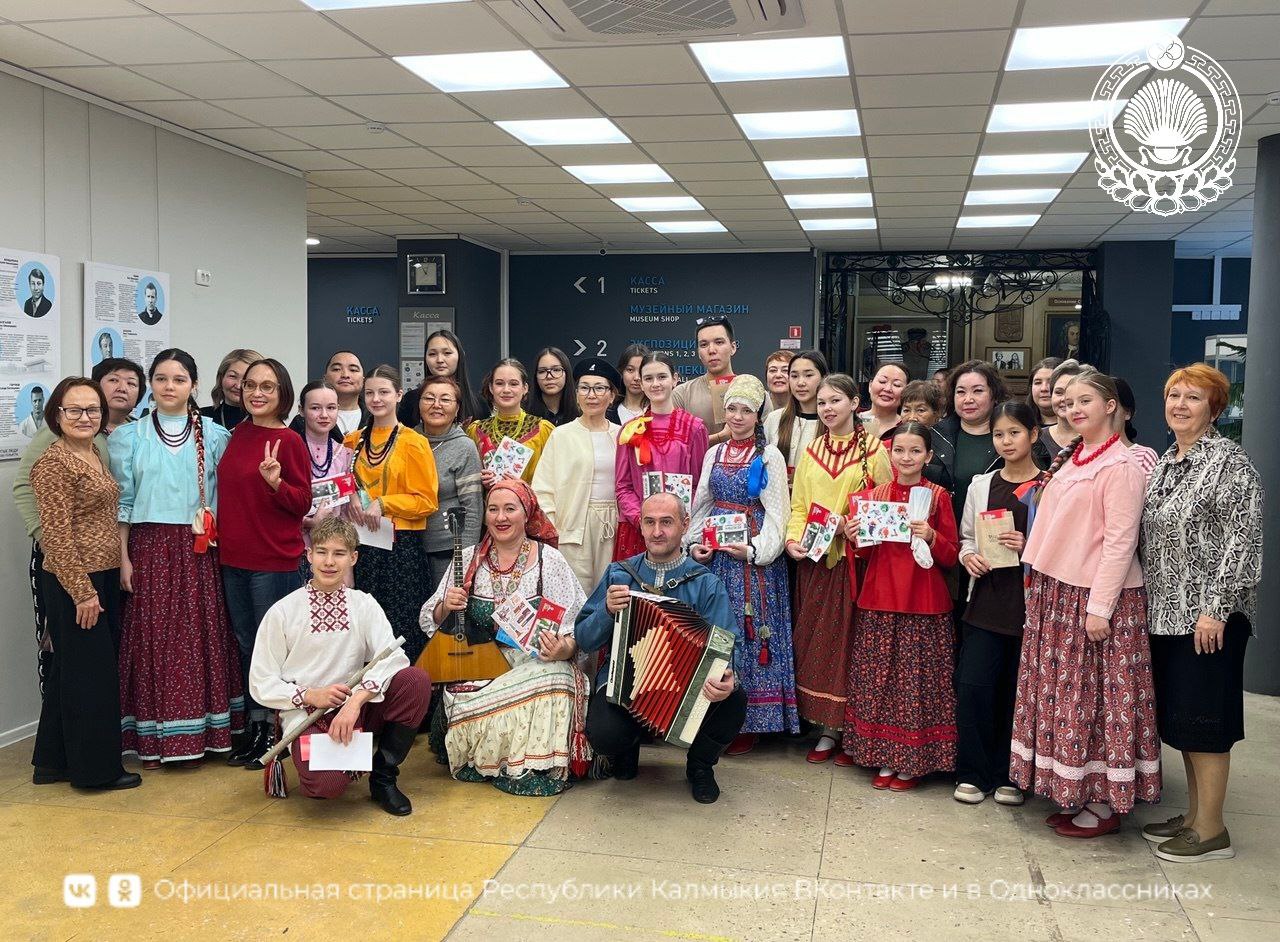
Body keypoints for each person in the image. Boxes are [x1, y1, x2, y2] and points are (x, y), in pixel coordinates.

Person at [1010, 369, 1159, 838]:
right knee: (1065, 698)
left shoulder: (1122, 465)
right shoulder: (1074, 457)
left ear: (1111, 406)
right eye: (1069, 402)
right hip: (1059, 590)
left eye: (1085, 401)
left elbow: (1120, 541)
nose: (1073, 409)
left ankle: (1103, 801)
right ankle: (1076, 790)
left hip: (1093, 594)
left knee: (1095, 700)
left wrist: (1100, 607)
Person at [1139, 364, 1264, 862]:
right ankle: (1194, 816)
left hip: (1209, 620)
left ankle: (1211, 830)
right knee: (1186, 720)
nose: (1180, 404)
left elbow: (1243, 541)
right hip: (1166, 615)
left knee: (1208, 721)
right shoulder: (1166, 461)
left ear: (1214, 409)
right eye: (1174, 395)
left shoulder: (1230, 462)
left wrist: (1215, 609)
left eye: (1193, 397)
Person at [109, 349, 243, 768]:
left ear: (194, 386)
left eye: (179, 379)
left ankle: (207, 734)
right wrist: (123, 558)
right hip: (148, 548)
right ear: (151, 383)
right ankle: (153, 738)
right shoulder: (128, 438)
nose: (170, 387)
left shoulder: (216, 436)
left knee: (200, 636)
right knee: (152, 639)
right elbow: (123, 504)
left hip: (199, 548)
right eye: (162, 378)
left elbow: (227, 500)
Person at [250, 517, 432, 816]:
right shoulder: (283, 612)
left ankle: (383, 778)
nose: (329, 562)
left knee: (415, 680)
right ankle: (341, 758)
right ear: (309, 554)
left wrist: (356, 702)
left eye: (339, 553)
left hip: (357, 708)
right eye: (322, 552)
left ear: (353, 558)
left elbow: (392, 657)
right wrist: (311, 695)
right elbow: (261, 680)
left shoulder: (363, 604)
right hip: (309, 713)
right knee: (326, 787)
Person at [421, 481, 589, 796]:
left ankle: (531, 764)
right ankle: (492, 758)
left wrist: (562, 649)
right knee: (463, 690)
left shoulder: (549, 561)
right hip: (480, 665)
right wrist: (447, 606)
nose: (501, 517)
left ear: (527, 514)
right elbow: (431, 619)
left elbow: (574, 628)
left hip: (532, 665)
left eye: (510, 509)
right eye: (493, 509)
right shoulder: (468, 559)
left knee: (558, 677)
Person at [576, 492, 744, 804]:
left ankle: (700, 766)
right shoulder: (619, 574)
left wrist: (729, 676)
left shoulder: (705, 582)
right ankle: (625, 749)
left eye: (666, 522)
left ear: (685, 525)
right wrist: (606, 612)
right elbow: (585, 639)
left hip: (684, 690)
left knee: (734, 701)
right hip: (624, 689)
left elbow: (729, 641)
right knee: (605, 735)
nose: (656, 532)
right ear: (640, 526)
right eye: (649, 522)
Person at [29, 377, 139, 791]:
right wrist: (83, 593)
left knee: (69, 672)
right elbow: (56, 537)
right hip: (76, 582)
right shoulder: (54, 464)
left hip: (102, 574)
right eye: (73, 410)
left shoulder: (92, 452)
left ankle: (52, 761)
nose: (84, 417)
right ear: (56, 415)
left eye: (92, 409)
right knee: (92, 678)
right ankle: (95, 772)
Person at [12, 358, 143, 695]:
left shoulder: (109, 438)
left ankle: (58, 732)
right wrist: (53, 544)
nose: (122, 388)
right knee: (71, 668)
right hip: (69, 565)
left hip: (103, 567)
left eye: (131, 382)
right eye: (113, 380)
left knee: (86, 670)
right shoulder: (58, 440)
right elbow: (26, 488)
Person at [843, 422, 958, 789]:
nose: (906, 458)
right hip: (880, 596)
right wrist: (854, 536)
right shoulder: (874, 496)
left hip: (922, 599)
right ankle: (883, 755)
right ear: (889, 454)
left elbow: (951, 556)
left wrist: (933, 536)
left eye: (915, 451)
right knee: (879, 680)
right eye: (899, 451)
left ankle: (913, 760)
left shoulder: (938, 497)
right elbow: (866, 553)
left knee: (916, 685)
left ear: (928, 455)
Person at [688, 374, 797, 753]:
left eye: (746, 411)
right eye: (731, 408)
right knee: (716, 629)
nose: (737, 417)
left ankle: (749, 720)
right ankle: (712, 714)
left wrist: (754, 550)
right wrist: (695, 543)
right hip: (718, 558)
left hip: (752, 561)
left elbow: (778, 514)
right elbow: (701, 504)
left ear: (758, 415)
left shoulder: (769, 456)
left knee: (750, 630)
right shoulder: (714, 453)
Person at [784, 373, 890, 762]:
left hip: (854, 564)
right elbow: (799, 507)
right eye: (822, 403)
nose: (828, 409)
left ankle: (849, 730)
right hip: (815, 562)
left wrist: (855, 526)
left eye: (836, 401)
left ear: (855, 403)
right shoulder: (812, 451)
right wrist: (792, 540)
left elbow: (885, 507)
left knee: (850, 644)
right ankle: (824, 725)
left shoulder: (875, 452)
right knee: (815, 642)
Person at [216, 358, 312, 769]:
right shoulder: (238, 434)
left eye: (267, 386)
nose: (257, 393)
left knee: (272, 649)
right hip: (233, 559)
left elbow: (302, 502)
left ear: (282, 393)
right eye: (250, 385)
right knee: (246, 645)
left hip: (273, 561)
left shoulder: (289, 441)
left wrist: (276, 483)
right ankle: (255, 726)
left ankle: (276, 731)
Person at [953, 401, 1041, 806]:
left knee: (1015, 693)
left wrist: (1029, 544)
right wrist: (968, 556)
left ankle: (1011, 775)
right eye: (999, 434)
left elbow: (1059, 544)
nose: (1006, 441)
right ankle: (973, 772)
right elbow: (967, 537)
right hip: (985, 601)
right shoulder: (981, 485)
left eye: (1014, 433)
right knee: (974, 687)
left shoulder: (1048, 486)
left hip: (1028, 606)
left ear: (1033, 435)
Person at [343, 365, 440, 665]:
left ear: (398, 395)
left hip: (401, 549)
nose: (376, 399)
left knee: (402, 625)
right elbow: (341, 483)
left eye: (384, 392)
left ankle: (407, 689)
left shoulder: (414, 442)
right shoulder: (352, 441)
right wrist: (350, 496)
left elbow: (427, 501)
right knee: (364, 626)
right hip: (361, 546)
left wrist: (385, 503)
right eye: (370, 393)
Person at [533, 358, 622, 595]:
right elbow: (543, 489)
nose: (591, 395)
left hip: (613, 526)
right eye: (584, 388)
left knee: (611, 593)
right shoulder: (561, 435)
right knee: (573, 595)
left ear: (612, 395)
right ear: (576, 394)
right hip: (572, 527)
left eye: (599, 388)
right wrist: (553, 530)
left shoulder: (622, 435)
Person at [614, 351, 709, 560]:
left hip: (680, 531)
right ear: (641, 383)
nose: (655, 384)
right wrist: (644, 520)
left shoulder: (694, 427)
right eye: (648, 378)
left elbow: (699, 486)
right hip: (638, 529)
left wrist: (678, 522)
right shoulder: (630, 430)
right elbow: (623, 487)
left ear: (675, 379)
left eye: (662, 377)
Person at [418, 374, 483, 591]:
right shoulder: (407, 440)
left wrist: (465, 557)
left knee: (445, 609)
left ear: (457, 409)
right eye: (429, 398)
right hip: (409, 547)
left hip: (448, 550)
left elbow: (472, 508)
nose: (436, 405)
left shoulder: (464, 447)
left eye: (445, 399)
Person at [294, 380, 356, 581]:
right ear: (301, 410)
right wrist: (310, 522)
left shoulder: (345, 454)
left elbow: (346, 511)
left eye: (331, 408)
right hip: (297, 549)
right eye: (315, 408)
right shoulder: (290, 451)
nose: (324, 415)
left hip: (334, 551)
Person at [468, 358, 554, 486]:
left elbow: (556, 477)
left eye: (513, 384)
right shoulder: (477, 430)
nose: (506, 390)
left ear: (525, 388)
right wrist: (481, 482)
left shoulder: (542, 430)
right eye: (499, 383)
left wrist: (523, 486)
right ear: (491, 388)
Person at [397, 328, 484, 429]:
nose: (439, 360)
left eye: (447, 353)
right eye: (432, 354)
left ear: (460, 356)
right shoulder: (411, 400)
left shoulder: (479, 404)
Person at [764, 349, 828, 485]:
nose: (800, 383)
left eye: (808, 375)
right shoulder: (774, 419)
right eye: (794, 376)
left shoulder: (832, 422)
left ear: (823, 378)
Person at [673, 315, 738, 444]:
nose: (711, 350)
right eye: (704, 344)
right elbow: (675, 446)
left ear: (733, 347)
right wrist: (720, 437)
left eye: (719, 342)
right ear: (698, 352)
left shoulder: (755, 392)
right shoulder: (681, 395)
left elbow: (765, 441)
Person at [899, 379, 953, 488]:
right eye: (906, 410)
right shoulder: (895, 438)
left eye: (920, 410)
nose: (912, 417)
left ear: (937, 413)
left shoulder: (947, 444)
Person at [201, 348, 262, 430]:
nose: (238, 386)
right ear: (221, 378)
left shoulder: (266, 423)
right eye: (233, 376)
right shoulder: (200, 417)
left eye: (247, 379)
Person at [1112, 377, 1159, 476]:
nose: (1105, 413)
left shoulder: (1144, 457)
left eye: (1112, 406)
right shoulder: (1081, 455)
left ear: (1127, 413)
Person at [527, 346, 580, 428]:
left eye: (556, 370)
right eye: (542, 371)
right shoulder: (524, 414)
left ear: (567, 373)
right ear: (535, 376)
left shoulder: (581, 413)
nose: (549, 376)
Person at [1042, 359, 1086, 454]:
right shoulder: (1035, 438)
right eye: (1059, 392)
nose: (1064, 399)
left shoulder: (1099, 440)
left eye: (1072, 392)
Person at [858, 362, 909, 441]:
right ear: (870, 386)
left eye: (897, 385)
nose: (888, 389)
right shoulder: (849, 419)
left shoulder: (909, 427)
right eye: (882, 381)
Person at [324, 350, 368, 436]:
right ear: (325, 378)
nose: (345, 375)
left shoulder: (377, 418)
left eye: (353, 370)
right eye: (337, 369)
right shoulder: (306, 420)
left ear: (363, 380)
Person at [607, 342, 649, 426]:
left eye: (641, 370)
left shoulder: (660, 411)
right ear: (622, 372)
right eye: (630, 370)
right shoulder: (608, 413)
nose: (636, 377)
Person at [1026, 357, 1062, 426]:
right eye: (1038, 383)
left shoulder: (1078, 426)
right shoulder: (1020, 423)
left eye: (1051, 382)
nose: (1044, 388)